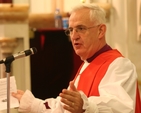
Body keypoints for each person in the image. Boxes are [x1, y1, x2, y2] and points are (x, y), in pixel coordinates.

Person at [12, 3, 141, 113]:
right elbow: (63, 107)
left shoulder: (119, 65)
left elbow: (119, 108)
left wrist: (86, 106)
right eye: (71, 30)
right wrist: (32, 103)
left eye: (80, 28)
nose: (74, 36)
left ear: (101, 31)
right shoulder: (86, 65)